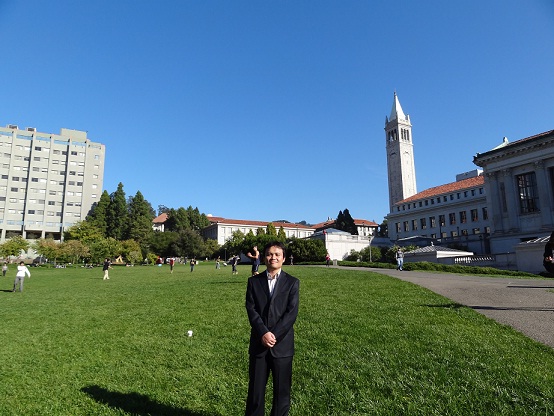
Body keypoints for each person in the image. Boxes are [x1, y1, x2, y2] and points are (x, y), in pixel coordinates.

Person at [245, 241, 299, 416]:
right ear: (264, 258)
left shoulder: (292, 283)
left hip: (282, 346)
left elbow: (291, 313)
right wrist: (263, 333)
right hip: (259, 345)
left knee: (281, 395)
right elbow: (251, 309)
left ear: (283, 258)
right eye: (269, 254)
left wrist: (273, 335)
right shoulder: (254, 282)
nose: (273, 257)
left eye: (277, 254)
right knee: (255, 394)